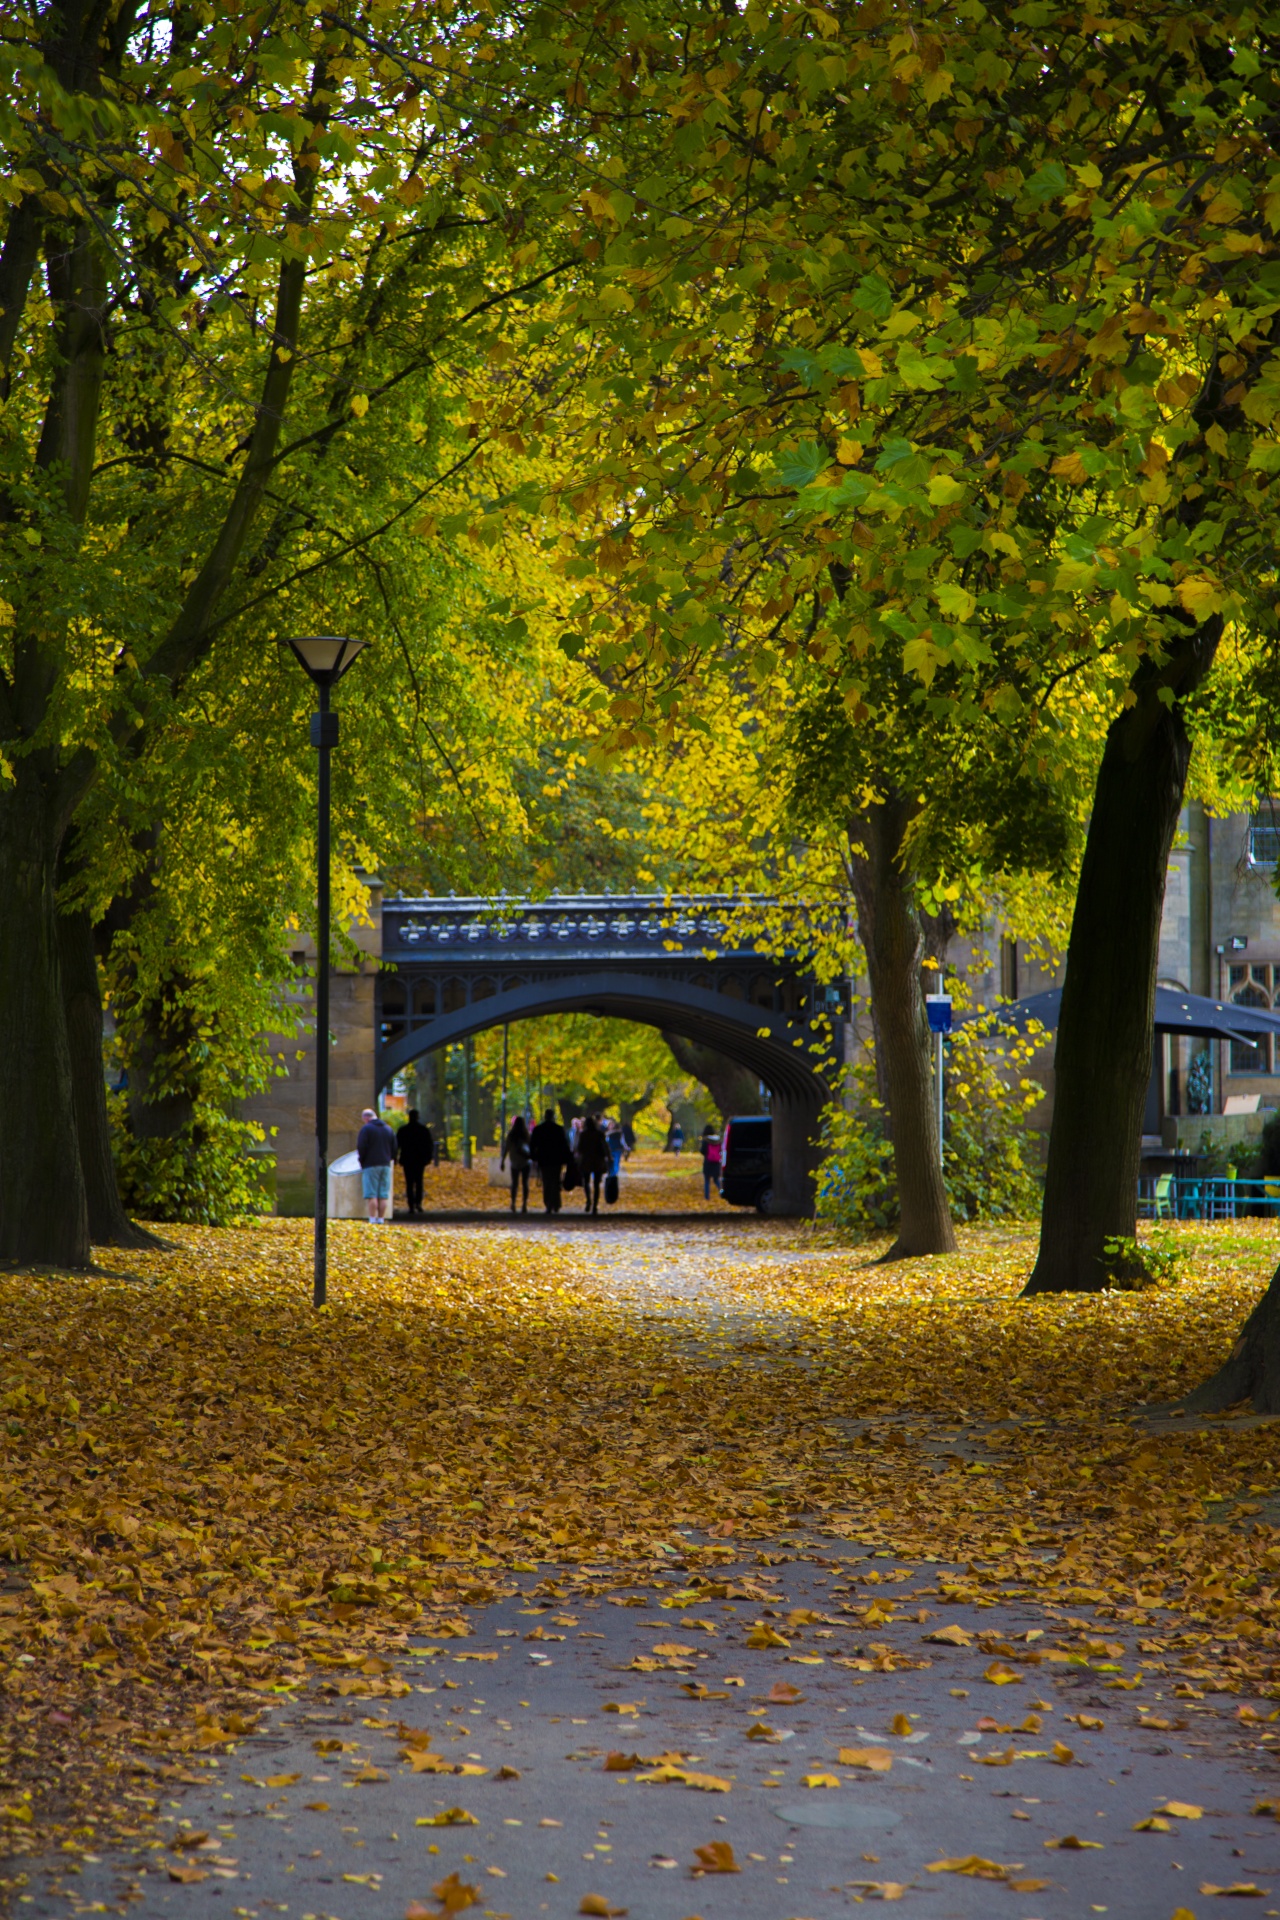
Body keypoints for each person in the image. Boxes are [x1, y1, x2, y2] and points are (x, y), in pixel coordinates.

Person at [356, 1105, 396, 1223]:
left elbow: (361, 1147)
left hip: (371, 1164)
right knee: (383, 1194)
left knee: (372, 1194)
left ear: (366, 1118)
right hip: (385, 1164)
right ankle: (381, 1218)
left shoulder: (366, 1129)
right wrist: (390, 1159)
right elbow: (395, 1147)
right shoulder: (388, 1129)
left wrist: (362, 1161)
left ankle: (372, 1219)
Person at [529, 1108, 571, 1214]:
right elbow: (564, 1145)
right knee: (555, 1181)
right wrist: (567, 1159)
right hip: (556, 1159)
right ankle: (556, 1203)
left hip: (544, 1159)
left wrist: (534, 1158)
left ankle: (548, 1204)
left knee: (547, 1182)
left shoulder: (538, 1129)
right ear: (553, 1117)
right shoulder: (559, 1129)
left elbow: (532, 1145)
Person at [397, 1108, 434, 1216]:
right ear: (418, 1117)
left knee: (409, 1183)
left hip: (408, 1159)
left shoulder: (403, 1130)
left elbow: (397, 1145)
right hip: (419, 1160)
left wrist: (396, 1157)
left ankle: (411, 1205)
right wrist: (428, 1158)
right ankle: (418, 1203)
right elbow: (429, 1145)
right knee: (419, 1182)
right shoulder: (423, 1130)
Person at [576, 1113, 609, 1216]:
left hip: (586, 1160)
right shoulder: (599, 1134)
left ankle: (588, 1200)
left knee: (586, 1182)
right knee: (596, 1184)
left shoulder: (583, 1134)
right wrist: (608, 1156)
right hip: (597, 1160)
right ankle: (595, 1205)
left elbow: (579, 1148)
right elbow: (605, 1146)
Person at [501, 1113, 532, 1215]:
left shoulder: (511, 1135)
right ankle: (524, 1204)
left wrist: (502, 1161)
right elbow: (530, 1147)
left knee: (514, 1183)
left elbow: (506, 1148)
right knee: (525, 1183)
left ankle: (513, 1203)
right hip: (525, 1162)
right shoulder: (526, 1134)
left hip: (514, 1161)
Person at [701, 1122, 722, 1200]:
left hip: (708, 1162)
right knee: (716, 1179)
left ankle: (707, 1197)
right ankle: (722, 1192)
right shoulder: (718, 1140)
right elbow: (721, 1149)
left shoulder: (706, 1140)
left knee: (707, 1180)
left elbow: (702, 1151)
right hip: (716, 1162)